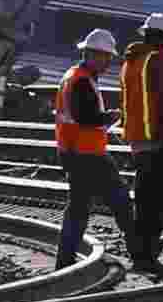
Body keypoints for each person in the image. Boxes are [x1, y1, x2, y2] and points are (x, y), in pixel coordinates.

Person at [54, 29, 138, 270]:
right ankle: (139, 252)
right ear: (95, 55)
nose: (109, 62)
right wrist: (109, 117)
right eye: (107, 57)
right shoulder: (81, 79)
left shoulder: (76, 75)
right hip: (88, 154)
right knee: (120, 200)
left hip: (73, 151)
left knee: (79, 208)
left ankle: (64, 261)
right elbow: (85, 117)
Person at [119, 13, 163, 270]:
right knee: (159, 201)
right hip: (161, 141)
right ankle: (147, 255)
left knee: (144, 198)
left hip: (138, 141)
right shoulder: (159, 60)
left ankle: (140, 251)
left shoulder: (130, 62)